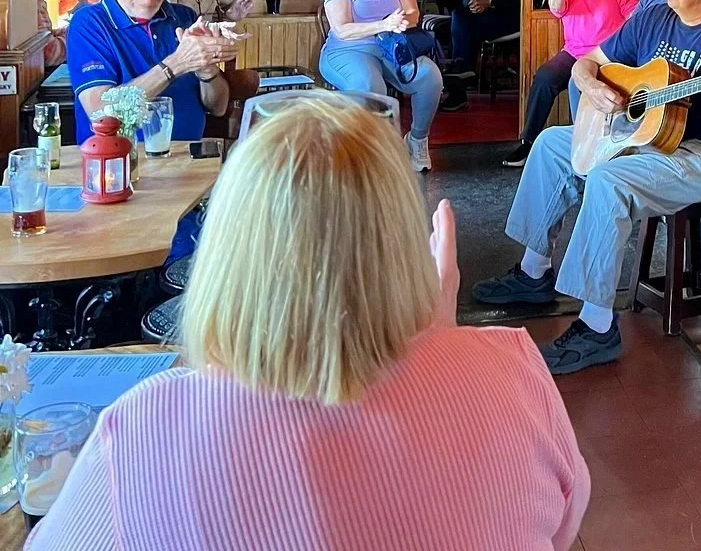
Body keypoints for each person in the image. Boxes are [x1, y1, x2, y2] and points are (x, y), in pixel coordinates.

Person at [26, 93, 589, 551]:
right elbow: (562, 525)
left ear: (227, 251)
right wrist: (442, 342)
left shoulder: (142, 433)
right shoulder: (513, 372)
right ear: (406, 242)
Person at [474, 0, 701, 373]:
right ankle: (533, 271)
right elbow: (588, 63)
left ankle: (597, 328)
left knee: (610, 181)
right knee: (553, 144)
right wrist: (591, 87)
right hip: (646, 138)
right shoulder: (654, 18)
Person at [67, 0, 241, 142]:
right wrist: (176, 64)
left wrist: (207, 70)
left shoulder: (185, 17)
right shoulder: (88, 24)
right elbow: (103, 113)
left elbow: (218, 107)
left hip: (188, 159)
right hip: (120, 163)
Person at [501, 0, 638, 170]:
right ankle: (528, 141)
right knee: (544, 77)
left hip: (609, 54)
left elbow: (635, 17)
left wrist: (624, 49)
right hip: (575, 53)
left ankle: (592, 149)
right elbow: (555, 8)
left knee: (584, 86)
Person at [320, 0, 443, 173]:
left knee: (431, 77)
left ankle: (417, 140)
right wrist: (383, 23)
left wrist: (400, 22)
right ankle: (375, 152)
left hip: (390, 46)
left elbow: (413, 14)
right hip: (347, 49)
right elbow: (342, 29)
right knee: (370, 85)